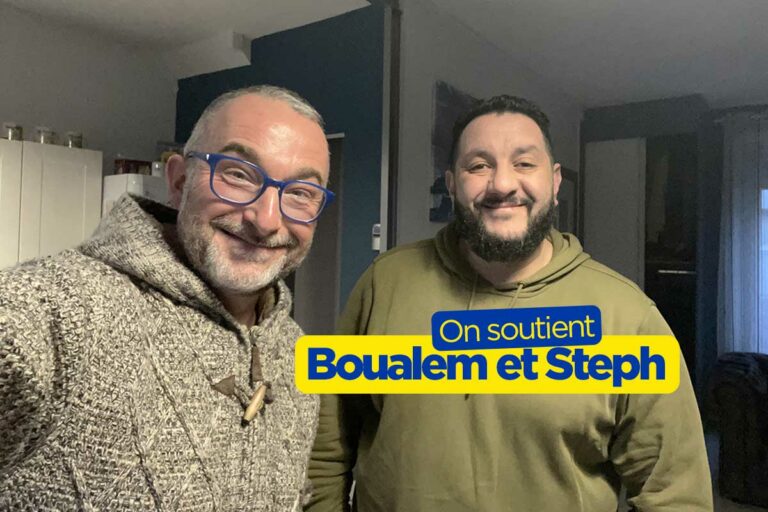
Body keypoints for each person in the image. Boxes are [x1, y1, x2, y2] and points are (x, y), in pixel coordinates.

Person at [306, 95, 713, 511]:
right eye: (478, 166)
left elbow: (676, 497)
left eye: (524, 163)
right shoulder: (384, 283)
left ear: (555, 182)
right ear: (451, 184)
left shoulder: (629, 319)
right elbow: (325, 449)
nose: (502, 184)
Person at [0, 85, 334, 510]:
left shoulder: (295, 350)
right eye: (237, 174)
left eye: (301, 193)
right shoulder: (53, 311)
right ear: (179, 180)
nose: (267, 220)